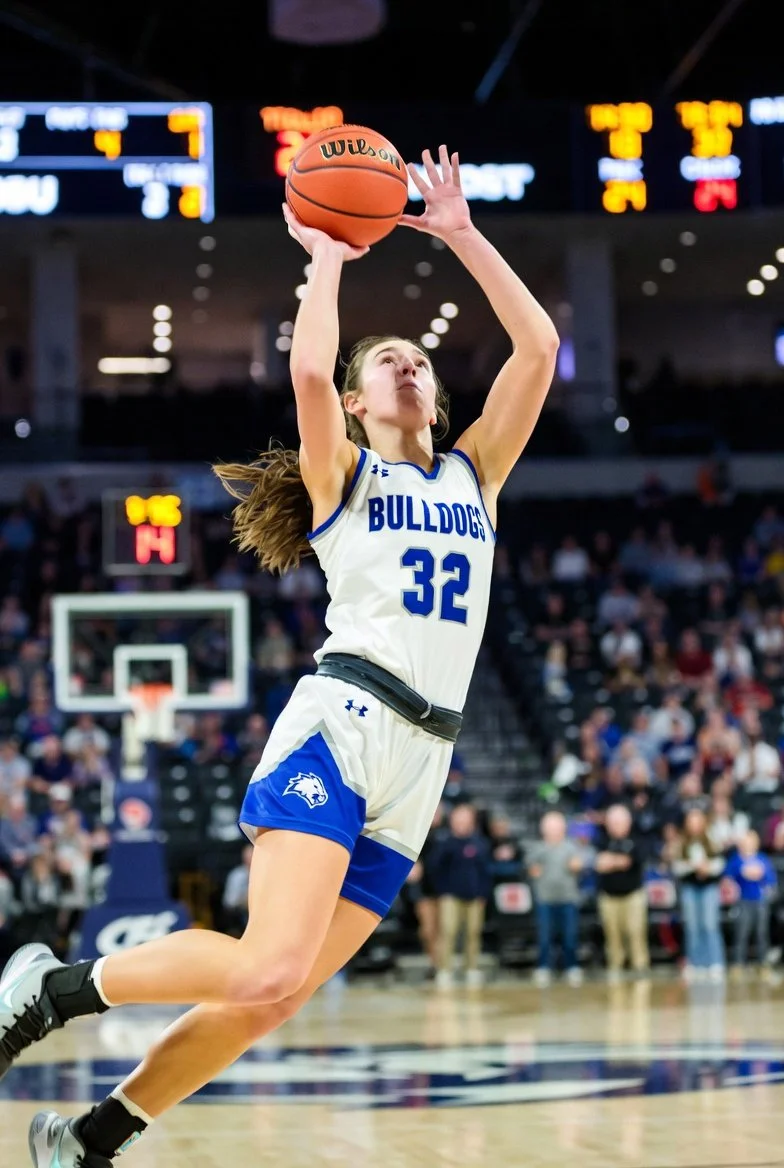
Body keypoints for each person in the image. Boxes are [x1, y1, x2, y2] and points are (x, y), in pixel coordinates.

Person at [0, 143, 559, 1166]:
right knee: (264, 965)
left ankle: (90, 1136)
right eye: (386, 361)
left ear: (438, 398)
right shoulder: (342, 477)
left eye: (420, 360)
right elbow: (307, 366)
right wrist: (328, 254)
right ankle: (49, 989)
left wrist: (464, 235)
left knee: (277, 994)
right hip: (345, 724)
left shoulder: (474, 476)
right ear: (355, 403)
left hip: (423, 762)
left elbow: (538, 345)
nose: (408, 365)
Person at [431, 803, 493, 988]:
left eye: (465, 818)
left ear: (472, 821)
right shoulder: (444, 842)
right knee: (448, 932)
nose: (461, 822)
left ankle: (471, 968)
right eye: (458, 818)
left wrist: (483, 893)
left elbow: (486, 871)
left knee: (473, 933)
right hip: (450, 895)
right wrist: (441, 891)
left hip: (475, 896)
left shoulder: (480, 843)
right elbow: (435, 867)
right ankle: (445, 970)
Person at [526, 811, 588, 986]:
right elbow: (530, 867)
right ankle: (544, 967)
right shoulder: (537, 848)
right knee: (545, 936)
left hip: (568, 898)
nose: (554, 830)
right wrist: (533, 870)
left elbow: (580, 864)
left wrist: (577, 866)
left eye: (557, 826)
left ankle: (572, 967)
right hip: (545, 899)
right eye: (550, 827)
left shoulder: (571, 847)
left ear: (563, 828)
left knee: (570, 935)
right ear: (543, 829)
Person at [669, 807, 726, 982]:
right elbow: (676, 867)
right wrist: (692, 866)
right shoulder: (681, 842)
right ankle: (695, 963)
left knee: (710, 924)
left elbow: (720, 863)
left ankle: (715, 962)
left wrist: (707, 868)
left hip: (708, 887)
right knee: (692, 926)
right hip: (690, 887)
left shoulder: (712, 839)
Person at [594, 804, 650, 981]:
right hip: (608, 895)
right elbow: (599, 863)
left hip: (633, 894)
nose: (616, 826)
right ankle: (615, 966)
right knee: (612, 935)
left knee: (635, 932)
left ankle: (640, 966)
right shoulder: (602, 840)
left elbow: (630, 862)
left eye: (619, 822)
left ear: (628, 822)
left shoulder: (636, 839)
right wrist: (619, 861)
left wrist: (612, 861)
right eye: (612, 822)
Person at [724, 830, 776, 975]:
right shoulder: (736, 860)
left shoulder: (762, 859)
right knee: (742, 932)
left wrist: (761, 875)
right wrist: (741, 873)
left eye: (751, 842)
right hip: (742, 901)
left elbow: (771, 879)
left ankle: (763, 963)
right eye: (745, 842)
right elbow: (727, 877)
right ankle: (738, 964)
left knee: (761, 933)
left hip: (760, 901)